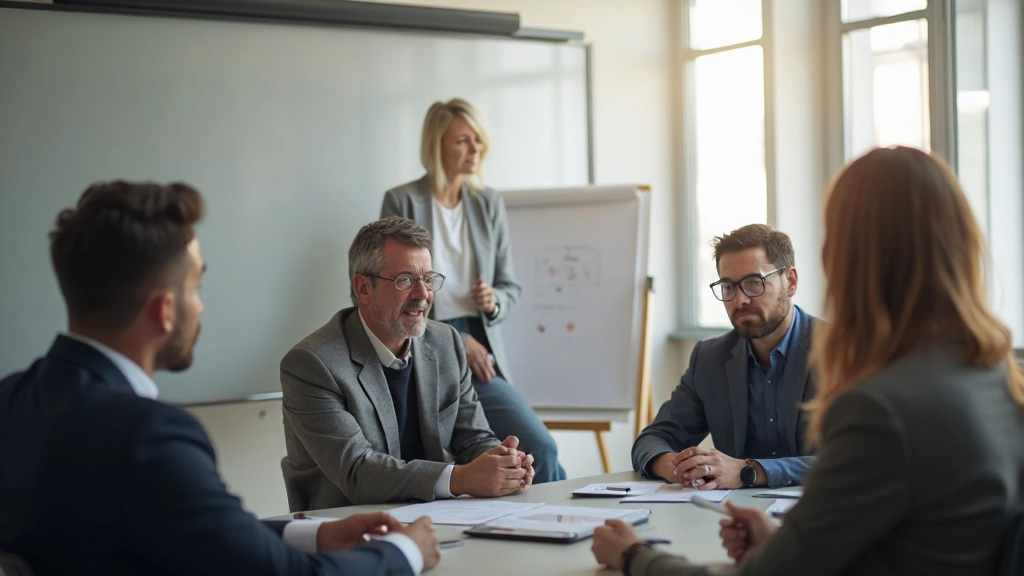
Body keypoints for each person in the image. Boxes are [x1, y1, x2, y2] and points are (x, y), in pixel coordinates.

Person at [593, 146, 1024, 576]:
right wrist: (787, 543)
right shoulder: (996, 376)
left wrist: (636, 557)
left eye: (832, 236)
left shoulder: (882, 400)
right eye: (728, 286)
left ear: (841, 260)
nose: (740, 297)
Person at [0, 181, 440, 576]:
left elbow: (195, 531)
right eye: (194, 287)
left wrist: (314, 535)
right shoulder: (149, 438)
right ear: (164, 310)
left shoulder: (12, 399)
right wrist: (406, 550)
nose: (201, 307)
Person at [280, 216, 535, 510]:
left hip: (441, 518)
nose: (423, 295)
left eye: (428, 279)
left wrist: (503, 463)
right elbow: (358, 472)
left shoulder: (446, 342)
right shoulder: (312, 364)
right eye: (405, 280)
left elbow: (472, 437)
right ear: (363, 288)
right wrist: (460, 479)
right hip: (348, 529)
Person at [380, 98, 566, 483]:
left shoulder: (487, 202)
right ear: (437, 146)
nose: (476, 149)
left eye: (478, 140)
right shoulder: (402, 200)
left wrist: (494, 299)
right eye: (463, 140)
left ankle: (562, 523)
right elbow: (389, 290)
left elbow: (509, 286)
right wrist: (454, 339)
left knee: (537, 447)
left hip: (481, 345)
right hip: (423, 339)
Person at [632, 224, 817, 490]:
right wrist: (681, 467)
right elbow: (653, 439)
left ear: (790, 281)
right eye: (728, 287)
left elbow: (856, 457)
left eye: (754, 283)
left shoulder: (842, 352)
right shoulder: (709, 359)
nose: (739, 299)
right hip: (733, 519)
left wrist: (748, 471)